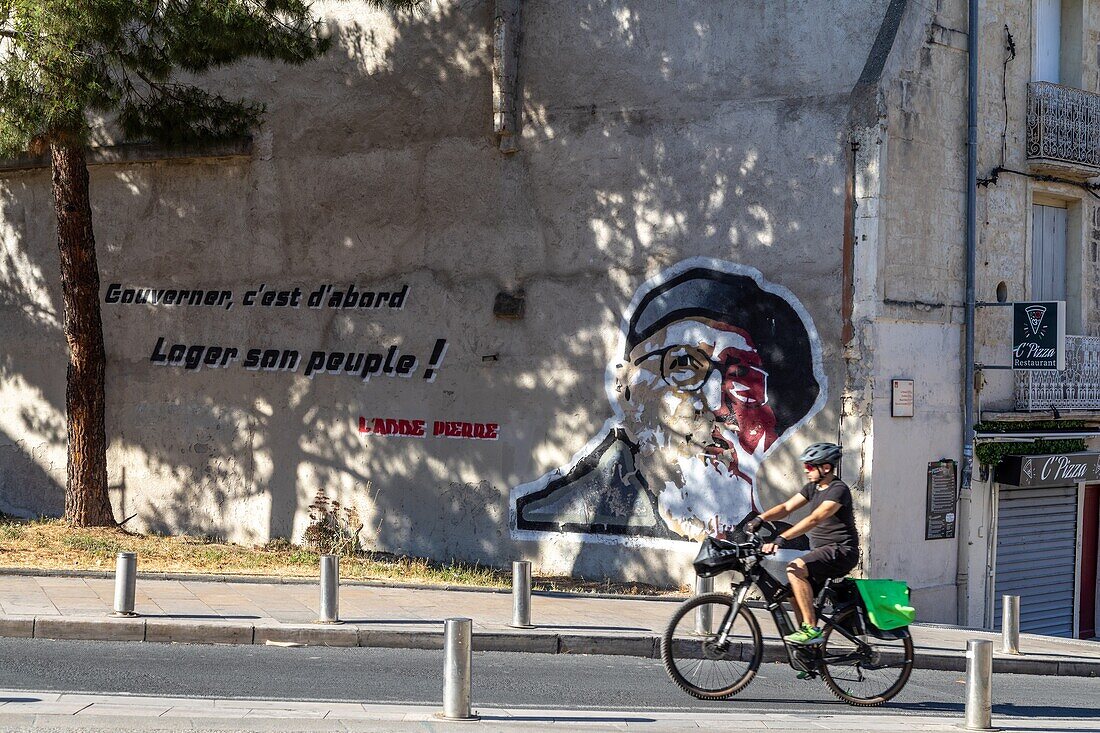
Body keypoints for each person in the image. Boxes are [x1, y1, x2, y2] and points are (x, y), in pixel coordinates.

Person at [511, 260, 826, 543]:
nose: (716, 400)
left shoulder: (782, 546)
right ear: (627, 388)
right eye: (684, 366)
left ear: (772, 426)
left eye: (741, 374)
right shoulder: (547, 511)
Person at [753, 442, 858, 644]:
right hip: (823, 550)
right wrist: (761, 519)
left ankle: (811, 629)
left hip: (841, 551)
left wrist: (782, 538)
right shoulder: (813, 488)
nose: (805, 470)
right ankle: (807, 650)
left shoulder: (838, 490)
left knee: (795, 568)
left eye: (810, 466)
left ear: (825, 468)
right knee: (793, 592)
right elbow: (786, 507)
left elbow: (814, 519)